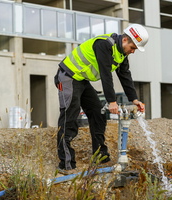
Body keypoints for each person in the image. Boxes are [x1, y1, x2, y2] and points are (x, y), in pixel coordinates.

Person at [54, 24, 148, 174]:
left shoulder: (122, 54)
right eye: (133, 47)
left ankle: (100, 157)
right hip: (68, 76)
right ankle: (65, 164)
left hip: (82, 79)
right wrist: (112, 101)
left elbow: (125, 76)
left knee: (98, 113)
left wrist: (134, 99)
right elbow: (106, 75)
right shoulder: (104, 44)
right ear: (125, 40)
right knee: (69, 116)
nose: (133, 51)